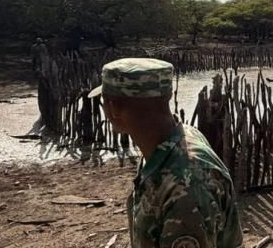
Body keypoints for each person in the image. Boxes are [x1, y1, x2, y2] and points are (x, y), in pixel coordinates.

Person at [89, 58, 242, 248]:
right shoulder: (169, 141)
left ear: (113, 108)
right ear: (167, 96)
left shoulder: (185, 188)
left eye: (103, 102)